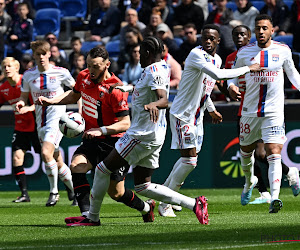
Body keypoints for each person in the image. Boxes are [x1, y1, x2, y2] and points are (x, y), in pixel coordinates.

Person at [67, 36, 210, 226]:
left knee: (102, 169)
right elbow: (145, 89)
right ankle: (194, 204)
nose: (138, 56)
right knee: (143, 185)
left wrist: (154, 104)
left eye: (141, 53)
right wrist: (126, 87)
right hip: (155, 134)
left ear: (148, 53)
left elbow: (164, 99)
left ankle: (92, 218)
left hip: (141, 135)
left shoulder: (154, 70)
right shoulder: (159, 68)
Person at [35, 46, 154, 224]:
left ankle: (146, 207)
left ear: (107, 65)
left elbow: (125, 123)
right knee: (76, 166)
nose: (91, 70)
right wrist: (51, 101)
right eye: (89, 65)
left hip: (115, 143)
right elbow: (74, 96)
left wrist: (102, 130)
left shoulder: (116, 88)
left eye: (96, 66)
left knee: (116, 193)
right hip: (91, 139)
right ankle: (87, 216)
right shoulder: (83, 76)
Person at [157, 24, 261, 217]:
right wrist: (248, 68)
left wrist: (211, 109)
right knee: (190, 161)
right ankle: (165, 203)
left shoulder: (217, 58)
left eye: (211, 39)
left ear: (218, 41)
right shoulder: (196, 55)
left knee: (188, 160)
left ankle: (167, 195)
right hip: (183, 114)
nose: (207, 41)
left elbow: (206, 87)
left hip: (198, 116)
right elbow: (218, 75)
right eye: (204, 38)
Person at [227, 14, 300, 213]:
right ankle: (248, 182)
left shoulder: (283, 51)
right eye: (258, 28)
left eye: (264, 28)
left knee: (273, 152)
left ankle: (274, 198)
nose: (260, 31)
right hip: (249, 112)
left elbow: (293, 74)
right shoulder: (244, 53)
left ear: (272, 31)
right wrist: (231, 86)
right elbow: (231, 76)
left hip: (274, 112)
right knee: (246, 152)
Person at [15, 40, 76, 207]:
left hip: (57, 119)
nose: (41, 57)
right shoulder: (28, 75)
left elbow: (76, 90)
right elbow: (23, 96)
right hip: (40, 121)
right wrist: (21, 103)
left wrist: (79, 111)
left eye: (44, 53)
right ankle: (76, 192)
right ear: (33, 56)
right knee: (57, 160)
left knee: (45, 152)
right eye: (38, 54)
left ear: (49, 54)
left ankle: (54, 192)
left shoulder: (61, 72)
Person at [0, 57, 40, 203]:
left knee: (51, 158)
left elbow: (42, 102)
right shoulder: (3, 88)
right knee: (17, 158)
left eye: (9, 66)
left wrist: (29, 108)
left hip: (37, 125)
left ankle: (70, 191)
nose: (6, 69)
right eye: (4, 66)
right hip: (20, 127)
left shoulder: (26, 82)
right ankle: (24, 194)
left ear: (17, 68)